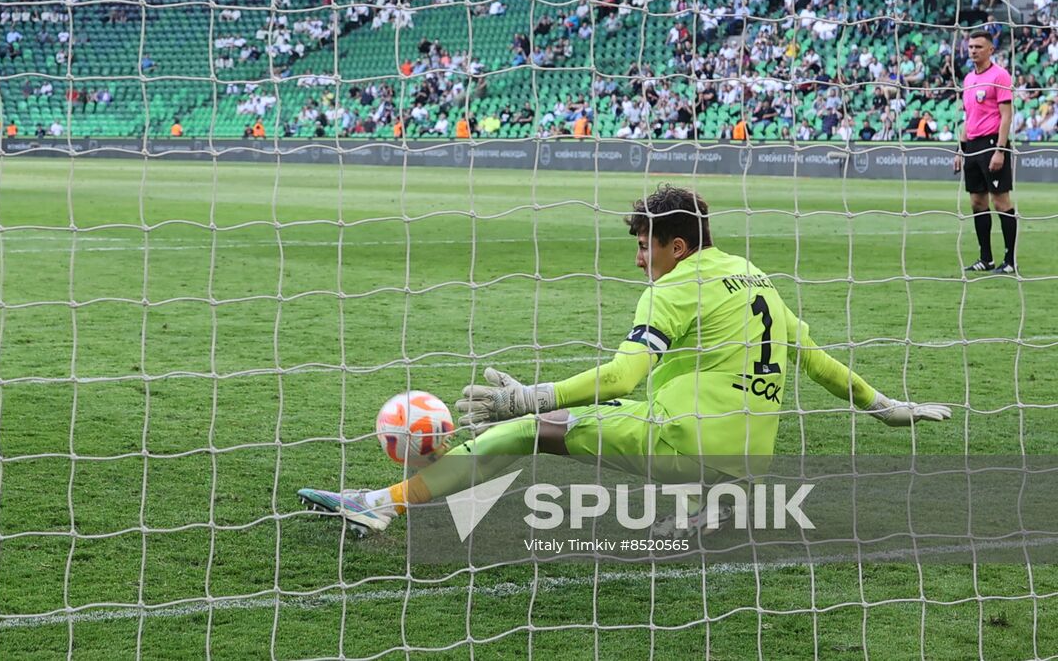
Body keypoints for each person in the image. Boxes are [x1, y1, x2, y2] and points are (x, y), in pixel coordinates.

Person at [298, 185, 951, 536]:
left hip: (680, 440)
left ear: (674, 244)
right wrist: (887, 407)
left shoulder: (672, 286)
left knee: (530, 431)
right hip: (746, 452)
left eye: (645, 245)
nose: (640, 258)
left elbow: (623, 375)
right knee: (639, 412)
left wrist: (533, 395)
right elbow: (819, 362)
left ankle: (381, 503)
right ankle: (720, 497)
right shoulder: (755, 278)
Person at [953, 30, 1018, 274]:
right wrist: (961, 149)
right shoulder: (969, 79)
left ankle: (1010, 261)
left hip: (992, 143)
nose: (973, 50)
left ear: (991, 49)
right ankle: (986, 259)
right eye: (970, 47)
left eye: (979, 47)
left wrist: (1000, 150)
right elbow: (968, 117)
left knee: (1000, 201)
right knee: (977, 201)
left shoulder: (999, 76)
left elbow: (1006, 115)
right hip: (973, 145)